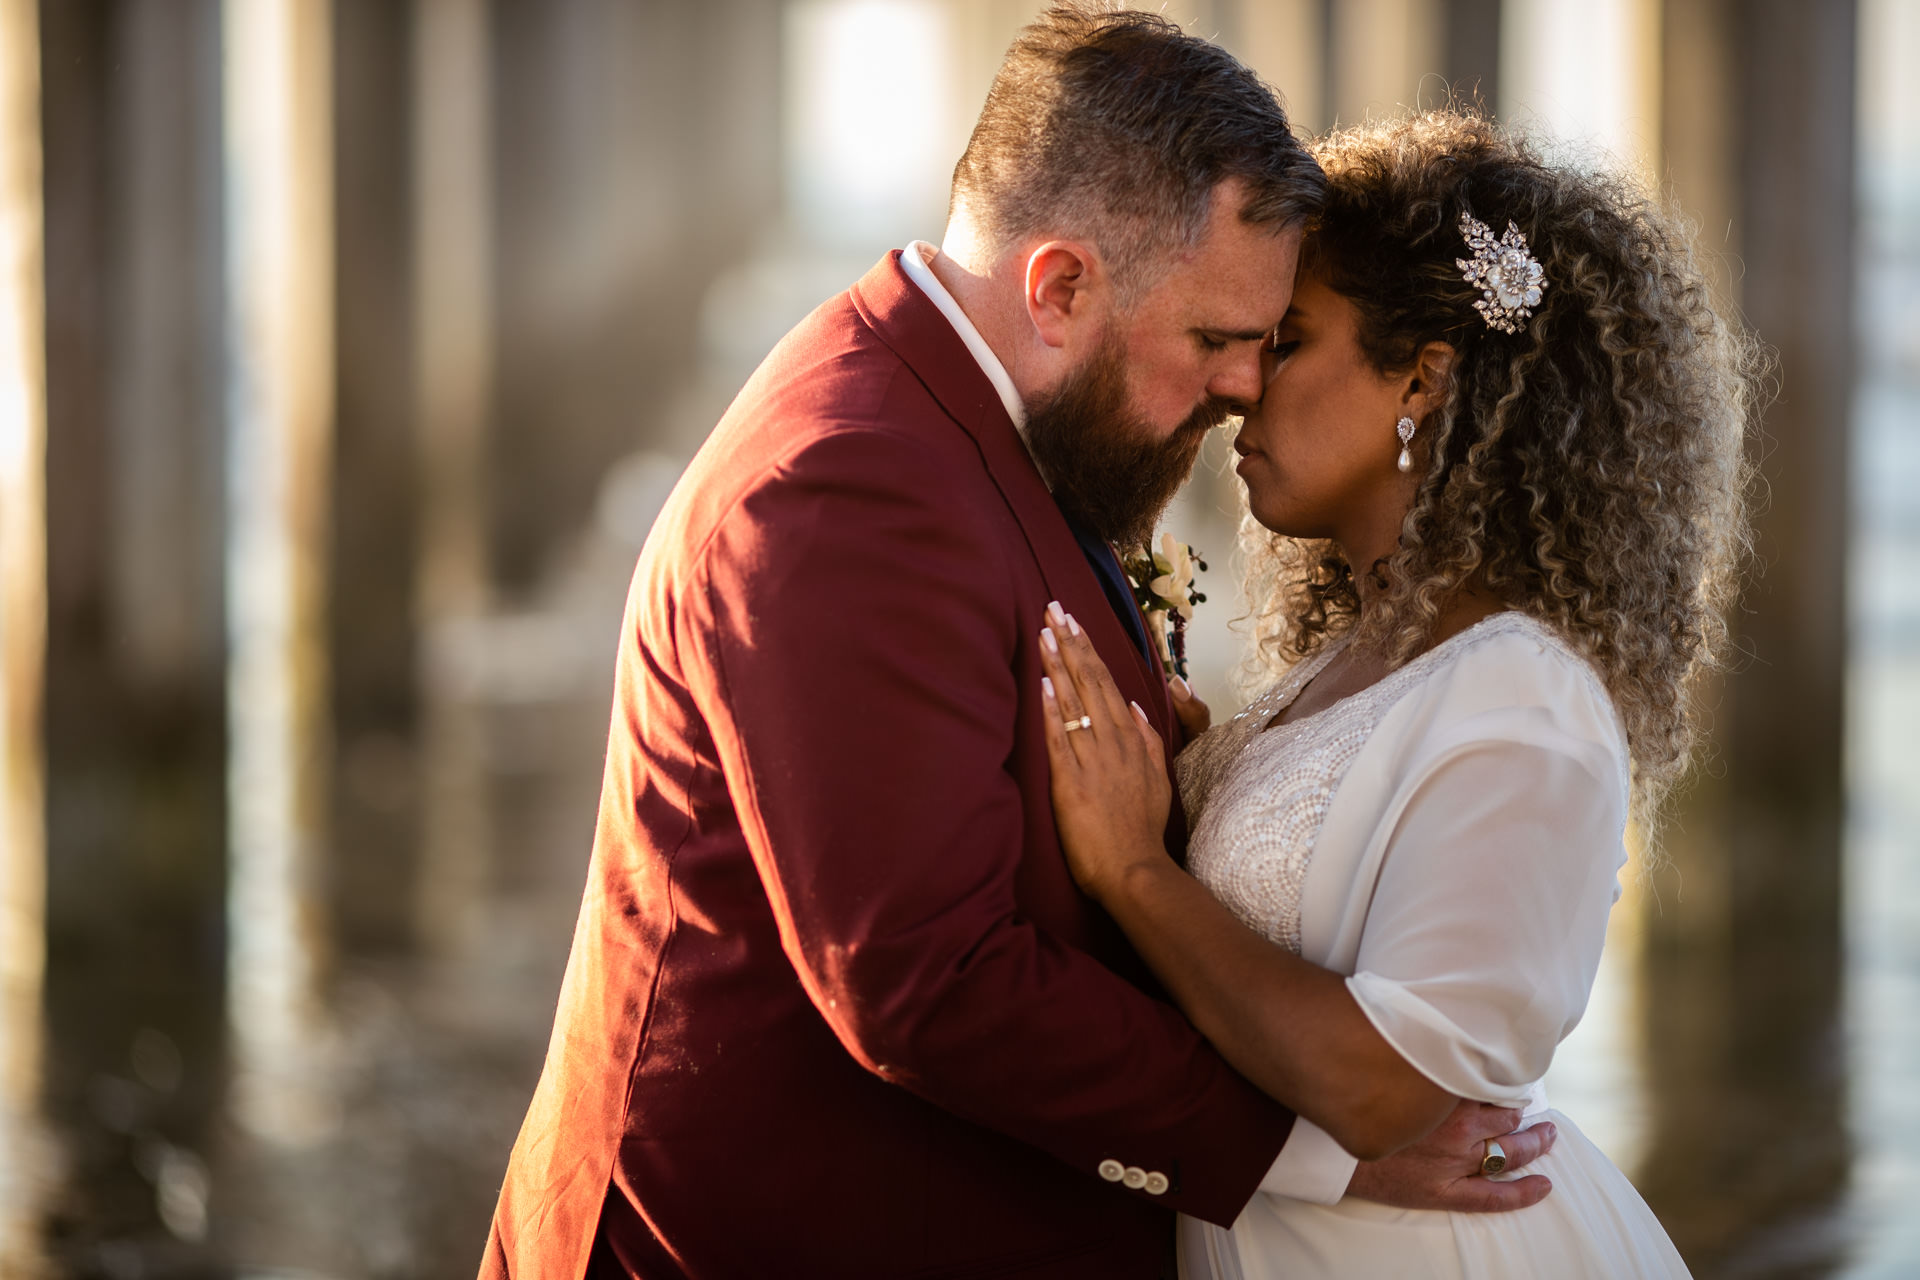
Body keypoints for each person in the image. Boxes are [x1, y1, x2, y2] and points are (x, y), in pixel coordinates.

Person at [481, 13, 1556, 1280]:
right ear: (1058, 287)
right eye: (1216, 339)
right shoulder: (847, 486)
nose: (1245, 388)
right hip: (750, 1230)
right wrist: (1305, 1153)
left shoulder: (987, 417)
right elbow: (923, 976)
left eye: (1264, 345)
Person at [1036, 108, 1758, 1278]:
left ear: (1422, 378)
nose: (1240, 387)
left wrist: (1136, 867)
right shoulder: (1368, 649)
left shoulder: (1527, 702)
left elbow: (1383, 1091)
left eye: (1291, 340)